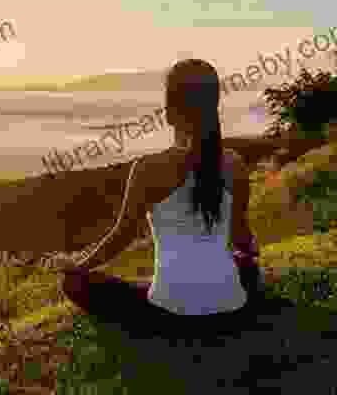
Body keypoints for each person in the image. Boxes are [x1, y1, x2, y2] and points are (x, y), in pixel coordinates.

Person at [58, 59, 270, 338]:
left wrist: (79, 265)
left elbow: (122, 236)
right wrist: (246, 254)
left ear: (169, 112)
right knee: (247, 270)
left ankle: (166, 290)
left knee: (74, 283)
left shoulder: (148, 169)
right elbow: (242, 239)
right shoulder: (235, 165)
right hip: (232, 309)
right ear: (213, 107)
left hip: (169, 316)